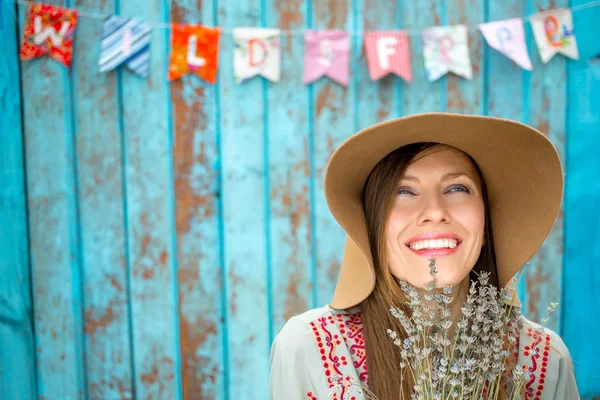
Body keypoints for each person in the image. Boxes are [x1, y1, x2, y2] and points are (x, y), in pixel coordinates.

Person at [269, 113, 580, 400]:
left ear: (486, 224)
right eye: (403, 191)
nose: (434, 212)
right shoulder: (307, 348)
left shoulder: (543, 358)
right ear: (373, 227)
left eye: (457, 188)